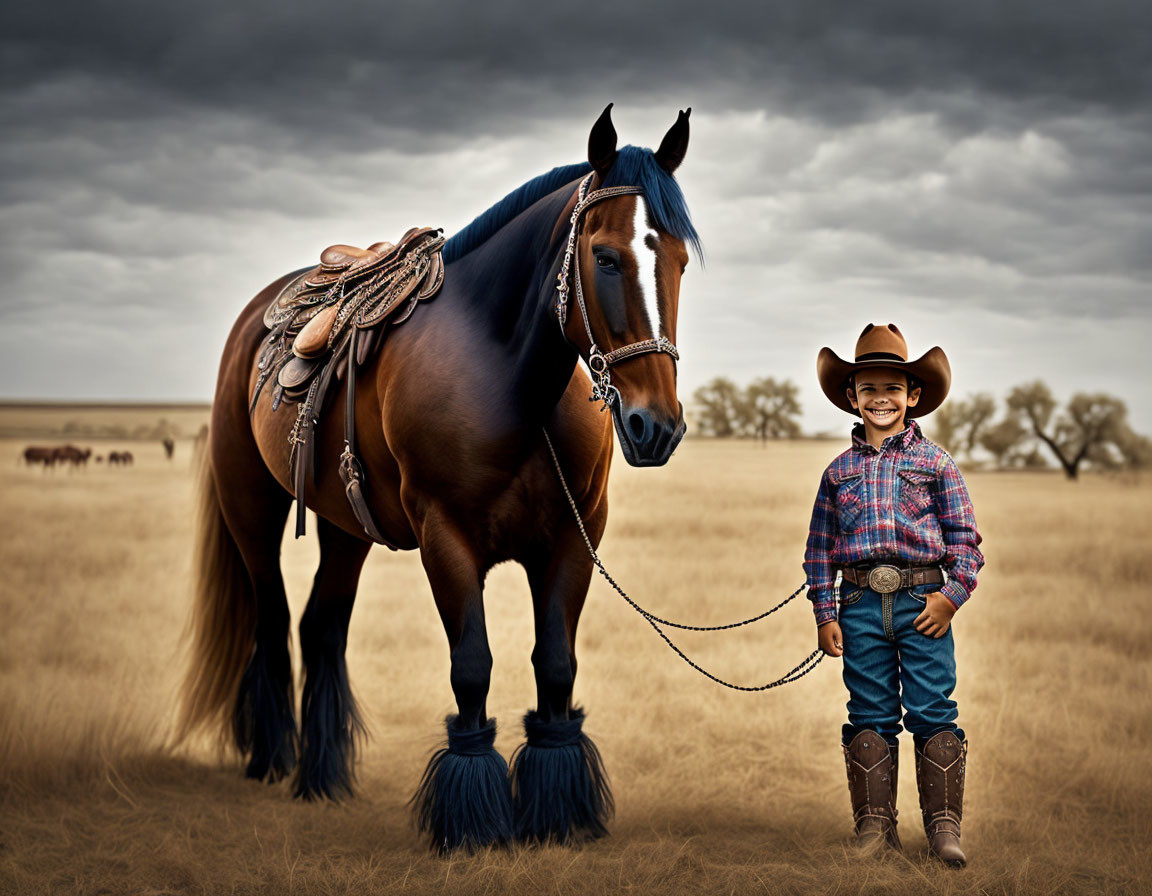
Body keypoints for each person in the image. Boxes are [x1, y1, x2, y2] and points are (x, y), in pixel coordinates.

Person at [803, 323, 984, 866]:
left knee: (932, 707)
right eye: (869, 390)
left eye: (892, 389)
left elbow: (966, 543)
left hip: (924, 603)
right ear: (852, 399)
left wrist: (950, 597)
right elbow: (820, 550)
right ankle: (875, 830)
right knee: (870, 711)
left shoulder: (936, 464)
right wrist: (824, 612)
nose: (881, 399)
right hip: (858, 607)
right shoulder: (838, 473)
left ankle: (944, 830)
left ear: (914, 396)